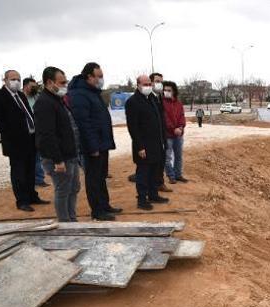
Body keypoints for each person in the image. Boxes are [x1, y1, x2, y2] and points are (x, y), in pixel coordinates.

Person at [0, 70, 49, 212]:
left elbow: (28, 114)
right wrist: (10, 134)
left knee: (30, 171)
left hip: (30, 139)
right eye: (13, 78)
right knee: (19, 173)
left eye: (18, 79)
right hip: (15, 143)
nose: (16, 81)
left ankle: (32, 196)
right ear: (5, 80)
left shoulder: (21, 95)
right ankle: (22, 201)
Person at [68, 62, 121, 221]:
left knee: (101, 177)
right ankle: (97, 211)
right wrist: (92, 147)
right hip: (92, 146)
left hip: (101, 143)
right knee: (93, 179)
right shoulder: (79, 94)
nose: (101, 79)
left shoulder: (93, 92)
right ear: (89, 76)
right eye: (99, 76)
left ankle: (105, 205)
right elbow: (84, 123)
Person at [34, 67, 81, 222]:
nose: (65, 85)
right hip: (59, 158)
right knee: (63, 190)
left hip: (70, 154)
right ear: (49, 82)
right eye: (62, 82)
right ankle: (65, 223)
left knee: (74, 188)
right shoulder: (44, 103)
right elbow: (47, 135)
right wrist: (57, 160)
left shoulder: (58, 100)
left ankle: (72, 219)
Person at [125, 75, 169, 210]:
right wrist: (140, 147)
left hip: (156, 144)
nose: (148, 87)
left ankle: (153, 194)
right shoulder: (133, 102)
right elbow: (133, 127)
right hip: (143, 145)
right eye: (145, 84)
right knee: (143, 173)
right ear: (138, 85)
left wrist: (163, 141)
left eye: (149, 84)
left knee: (154, 171)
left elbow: (159, 121)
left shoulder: (152, 99)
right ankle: (142, 200)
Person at [23, 77, 49, 188]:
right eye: (32, 86)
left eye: (35, 86)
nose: (34, 88)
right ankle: (27, 180)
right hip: (26, 132)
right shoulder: (20, 98)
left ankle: (39, 179)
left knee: (38, 157)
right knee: (27, 158)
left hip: (38, 131)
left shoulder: (37, 97)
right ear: (25, 86)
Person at [149, 72, 171, 193]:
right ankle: (153, 186)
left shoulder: (159, 98)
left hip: (162, 135)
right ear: (151, 82)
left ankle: (160, 183)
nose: (160, 84)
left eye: (161, 82)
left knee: (161, 161)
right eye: (157, 81)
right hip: (153, 138)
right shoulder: (149, 98)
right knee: (154, 163)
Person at [162, 81, 188, 184]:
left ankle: (178, 175)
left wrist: (181, 127)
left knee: (179, 156)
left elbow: (182, 116)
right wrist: (173, 128)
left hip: (179, 134)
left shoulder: (178, 103)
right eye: (165, 90)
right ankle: (171, 176)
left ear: (174, 91)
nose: (166, 92)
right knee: (167, 157)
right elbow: (165, 118)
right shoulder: (162, 103)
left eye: (169, 90)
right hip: (168, 135)